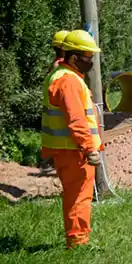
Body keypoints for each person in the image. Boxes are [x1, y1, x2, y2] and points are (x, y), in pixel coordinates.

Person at [41, 30, 104, 249]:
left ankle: (76, 240)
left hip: (68, 150)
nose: (91, 62)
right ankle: (78, 243)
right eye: (88, 58)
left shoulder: (61, 75)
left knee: (74, 196)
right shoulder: (68, 81)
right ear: (74, 57)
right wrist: (89, 148)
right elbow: (76, 119)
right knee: (79, 197)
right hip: (75, 151)